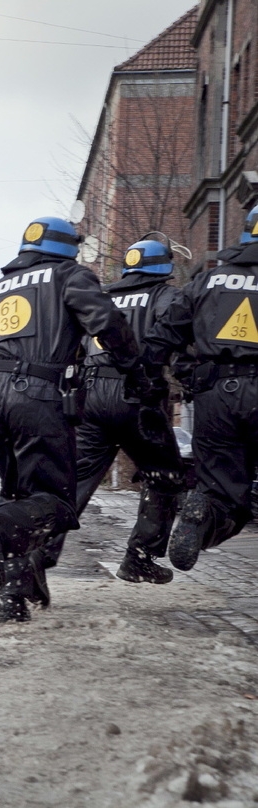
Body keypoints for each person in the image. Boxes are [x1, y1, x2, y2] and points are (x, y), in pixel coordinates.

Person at [0, 215, 142, 622]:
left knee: (20, 494)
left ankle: (14, 596)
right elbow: (107, 322)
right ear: (68, 248)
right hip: (36, 395)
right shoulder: (68, 275)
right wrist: (134, 370)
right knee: (56, 502)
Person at [42, 237, 185, 584]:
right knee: (165, 475)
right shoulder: (168, 297)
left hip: (91, 397)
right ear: (164, 267)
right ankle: (139, 558)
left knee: (73, 482)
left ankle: (38, 550)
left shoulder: (103, 295)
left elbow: (72, 346)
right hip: (137, 397)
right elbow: (179, 344)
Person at [144, 205, 258, 570]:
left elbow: (162, 336)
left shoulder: (206, 281)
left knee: (224, 492)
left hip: (216, 396)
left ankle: (204, 512)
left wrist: (186, 374)